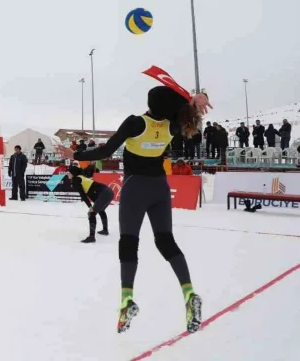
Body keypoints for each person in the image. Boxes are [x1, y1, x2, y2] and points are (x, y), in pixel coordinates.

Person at [73, 83, 209, 334]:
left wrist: (77, 154)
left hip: (135, 188)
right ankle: (189, 293)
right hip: (160, 189)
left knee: (128, 242)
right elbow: (193, 122)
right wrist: (194, 102)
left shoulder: (136, 123)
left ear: (150, 104)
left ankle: (127, 300)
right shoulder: (173, 125)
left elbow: (106, 150)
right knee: (166, 241)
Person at [67, 165, 111, 243]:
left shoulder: (76, 180)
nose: (67, 174)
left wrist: (90, 207)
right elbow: (90, 193)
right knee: (100, 210)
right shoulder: (80, 177)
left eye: (69, 172)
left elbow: (83, 195)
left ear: (73, 173)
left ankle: (91, 237)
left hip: (104, 193)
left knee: (91, 213)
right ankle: (105, 230)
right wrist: (92, 206)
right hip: (108, 191)